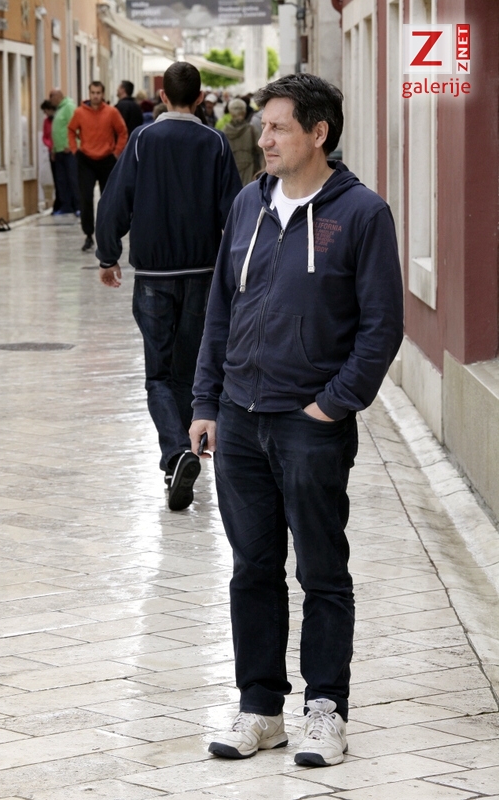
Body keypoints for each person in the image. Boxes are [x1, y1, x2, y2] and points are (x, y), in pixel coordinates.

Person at [189, 74, 404, 766]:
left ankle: (325, 711)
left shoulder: (363, 214)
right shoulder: (247, 204)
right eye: (264, 126)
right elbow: (220, 308)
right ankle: (260, 709)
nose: (265, 138)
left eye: (279, 126)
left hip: (309, 425)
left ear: (319, 132)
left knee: (321, 571)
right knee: (252, 569)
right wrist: (206, 400)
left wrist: (331, 405)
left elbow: (382, 327)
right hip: (240, 417)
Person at [95, 63, 242, 511]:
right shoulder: (215, 142)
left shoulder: (143, 140)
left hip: (153, 277)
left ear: (162, 96)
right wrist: (238, 272)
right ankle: (184, 452)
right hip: (202, 276)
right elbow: (234, 213)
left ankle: (177, 454)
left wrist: (108, 255)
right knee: (186, 372)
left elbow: (115, 199)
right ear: (199, 98)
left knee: (158, 374)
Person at [68, 81, 128, 252]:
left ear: (103, 94)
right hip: (86, 160)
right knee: (85, 198)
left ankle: (108, 234)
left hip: (107, 159)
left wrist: (117, 152)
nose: (95, 96)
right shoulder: (79, 113)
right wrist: (74, 150)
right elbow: (71, 130)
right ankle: (88, 234)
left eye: (98, 93)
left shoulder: (111, 112)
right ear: (89, 93)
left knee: (107, 199)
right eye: (93, 92)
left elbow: (122, 131)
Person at [49, 89, 80, 215]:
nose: (50, 99)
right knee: (62, 181)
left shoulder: (69, 107)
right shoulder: (59, 109)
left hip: (68, 151)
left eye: (51, 96)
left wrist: (71, 145)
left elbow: (75, 127)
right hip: (59, 151)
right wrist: (54, 149)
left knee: (73, 179)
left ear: (58, 96)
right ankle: (66, 206)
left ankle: (78, 206)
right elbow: (57, 131)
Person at [222, 98, 260, 186]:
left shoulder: (224, 132)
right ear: (244, 112)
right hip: (250, 171)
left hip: (230, 171)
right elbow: (261, 151)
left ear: (230, 113)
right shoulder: (251, 130)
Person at [40, 100, 61, 213]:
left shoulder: (58, 119)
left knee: (62, 179)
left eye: (46, 111)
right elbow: (45, 137)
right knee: (56, 179)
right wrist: (50, 146)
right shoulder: (46, 122)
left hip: (60, 150)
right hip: (51, 152)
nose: (45, 113)